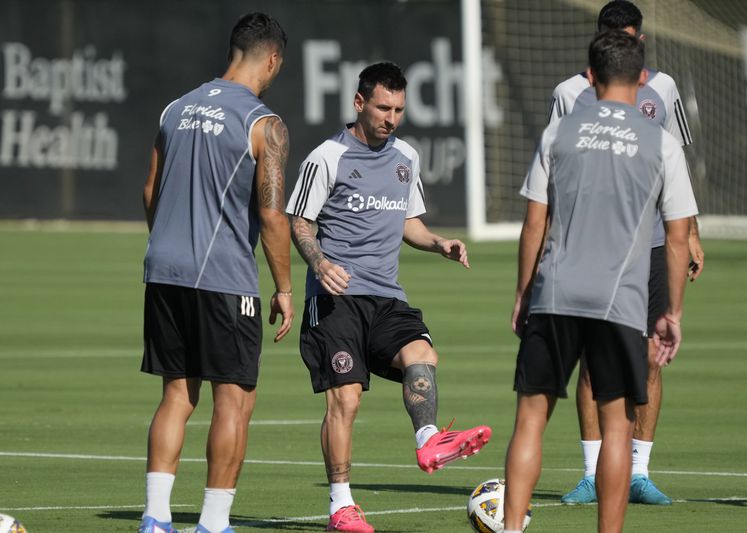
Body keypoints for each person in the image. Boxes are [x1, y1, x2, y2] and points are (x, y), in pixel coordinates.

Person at [503, 30, 698, 533]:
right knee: (618, 424)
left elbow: (534, 224)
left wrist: (525, 293)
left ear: (589, 77)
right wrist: (671, 312)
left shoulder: (557, 134)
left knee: (530, 419)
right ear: (641, 79)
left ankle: (510, 527)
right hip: (619, 302)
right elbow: (677, 238)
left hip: (555, 293)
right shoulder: (662, 142)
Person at [286, 62, 492, 533]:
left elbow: (406, 222)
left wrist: (439, 242)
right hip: (335, 299)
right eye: (383, 107)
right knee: (346, 400)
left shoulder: (406, 157)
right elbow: (299, 221)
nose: (391, 118)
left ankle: (429, 440)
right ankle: (341, 506)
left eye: (399, 109)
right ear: (359, 103)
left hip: (385, 295)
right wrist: (319, 263)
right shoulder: (326, 158)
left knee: (422, 355)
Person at [138, 13, 293, 533]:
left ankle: (156, 519)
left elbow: (149, 192)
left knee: (177, 396)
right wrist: (285, 287)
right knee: (236, 399)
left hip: (163, 271)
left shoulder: (175, 107)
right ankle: (213, 522)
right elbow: (272, 215)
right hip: (223, 280)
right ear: (271, 60)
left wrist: (168, 245)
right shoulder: (263, 124)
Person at [549, 0, 705, 506]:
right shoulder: (570, 94)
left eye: (635, 37)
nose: (629, 46)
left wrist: (693, 233)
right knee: (594, 364)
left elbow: (674, 162)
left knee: (650, 357)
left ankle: (638, 472)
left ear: (643, 38)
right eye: (619, 38)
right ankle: (593, 475)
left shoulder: (663, 90)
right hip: (591, 247)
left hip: (655, 243)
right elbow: (551, 180)